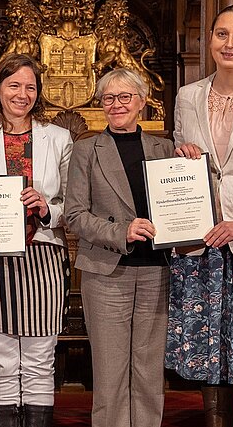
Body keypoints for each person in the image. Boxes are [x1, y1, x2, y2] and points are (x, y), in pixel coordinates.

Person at [165, 4, 233, 427]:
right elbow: (183, 163)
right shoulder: (188, 96)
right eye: (221, 34)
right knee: (213, 351)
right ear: (208, 40)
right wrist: (183, 156)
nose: (229, 43)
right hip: (202, 240)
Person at [0, 52, 73, 427]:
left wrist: (46, 208)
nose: (22, 94)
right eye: (13, 85)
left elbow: (71, 204)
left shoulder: (59, 138)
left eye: (30, 86)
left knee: (40, 358)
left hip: (43, 255)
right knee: (1, 358)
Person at [64, 68, 174, 427]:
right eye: (109, 98)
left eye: (125, 97)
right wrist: (121, 232)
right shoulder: (86, 150)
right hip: (107, 274)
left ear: (142, 102)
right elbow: (75, 216)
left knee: (148, 374)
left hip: (157, 273)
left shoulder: (166, 148)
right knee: (110, 377)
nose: (116, 105)